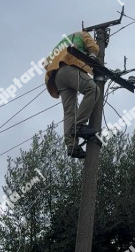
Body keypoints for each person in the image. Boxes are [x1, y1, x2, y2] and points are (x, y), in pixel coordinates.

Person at [43, 31, 101, 159]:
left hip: (56, 77)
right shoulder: (84, 34)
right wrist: (92, 57)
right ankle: (79, 126)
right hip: (69, 68)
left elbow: (46, 63)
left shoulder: (63, 42)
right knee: (93, 89)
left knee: (69, 112)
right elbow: (94, 48)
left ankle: (72, 146)